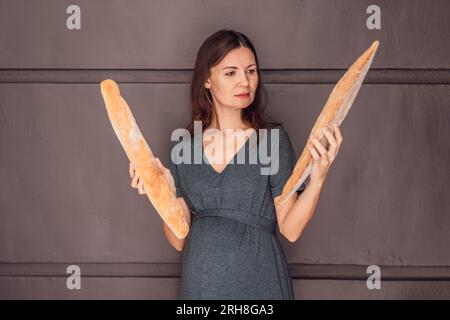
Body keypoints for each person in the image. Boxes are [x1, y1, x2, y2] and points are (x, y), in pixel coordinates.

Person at [129, 29, 343, 299]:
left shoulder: (272, 141)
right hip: (201, 285)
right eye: (231, 73)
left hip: (260, 282)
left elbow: (290, 229)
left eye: (251, 71)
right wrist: (160, 190)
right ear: (207, 80)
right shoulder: (182, 147)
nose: (245, 81)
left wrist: (319, 178)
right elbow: (178, 239)